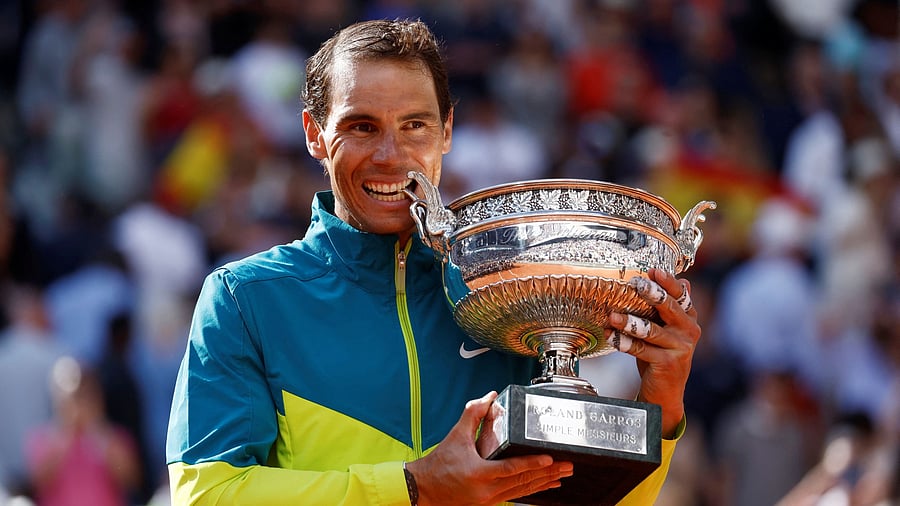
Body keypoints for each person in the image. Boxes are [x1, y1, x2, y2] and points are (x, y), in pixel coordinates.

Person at [166, 19, 701, 505]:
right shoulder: (246, 298)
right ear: (314, 133)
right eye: (361, 126)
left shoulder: (509, 299)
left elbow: (573, 501)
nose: (390, 156)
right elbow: (209, 495)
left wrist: (662, 404)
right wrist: (412, 487)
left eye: (415, 126)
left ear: (447, 131)